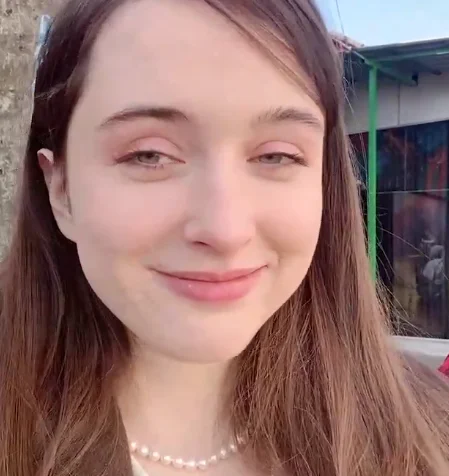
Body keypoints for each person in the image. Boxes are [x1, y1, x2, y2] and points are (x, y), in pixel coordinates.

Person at [1, 0, 449, 475]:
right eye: (149, 154)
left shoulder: (427, 436)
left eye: (277, 156)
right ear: (60, 189)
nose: (225, 230)